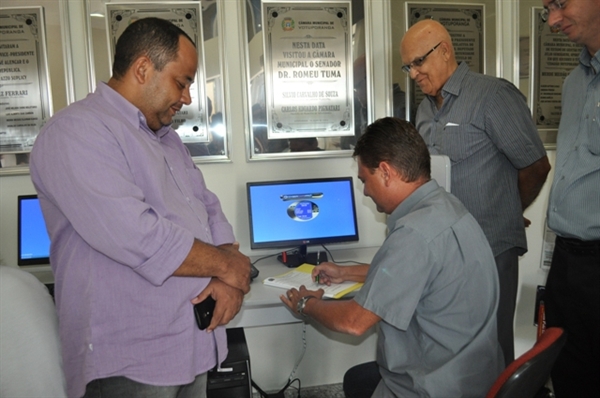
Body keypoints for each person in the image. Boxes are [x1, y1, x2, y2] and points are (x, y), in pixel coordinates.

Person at [29, 18, 251, 398]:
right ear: (143, 68)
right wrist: (229, 266)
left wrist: (229, 279)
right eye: (181, 82)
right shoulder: (77, 131)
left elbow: (208, 208)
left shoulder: (166, 138)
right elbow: (136, 235)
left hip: (191, 345)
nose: (187, 98)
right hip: (131, 361)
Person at [281, 117, 504, 397]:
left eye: (365, 179)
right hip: (474, 374)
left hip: (430, 387)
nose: (365, 190)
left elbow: (354, 321)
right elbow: (421, 272)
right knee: (357, 379)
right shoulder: (448, 207)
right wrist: (347, 272)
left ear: (385, 172)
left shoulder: (413, 233)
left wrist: (306, 303)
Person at [401, 19, 551, 366]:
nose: (413, 74)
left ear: (445, 51)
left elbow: (536, 165)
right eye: (407, 66)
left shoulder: (492, 95)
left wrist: (510, 208)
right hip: (443, 250)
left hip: (489, 247)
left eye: (418, 62)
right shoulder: (424, 110)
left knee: (490, 348)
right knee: (452, 348)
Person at [540, 1, 600, 396]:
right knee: (566, 370)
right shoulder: (573, 82)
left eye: (560, 3)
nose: (553, 19)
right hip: (566, 260)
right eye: (547, 8)